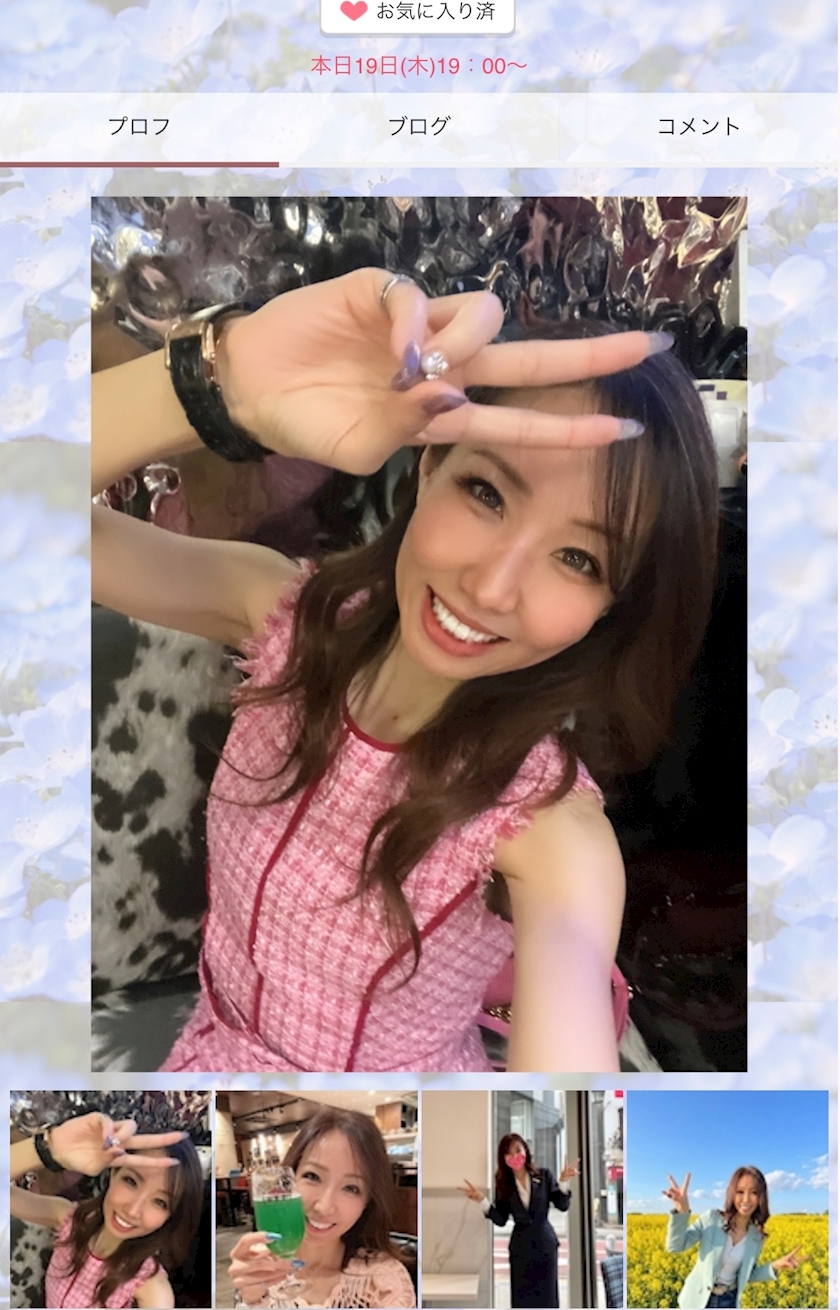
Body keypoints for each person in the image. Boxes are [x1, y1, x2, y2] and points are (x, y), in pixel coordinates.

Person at [92, 265, 718, 1073]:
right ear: (428, 468)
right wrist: (224, 380)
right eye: (487, 492)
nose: (492, 587)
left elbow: (569, 1086)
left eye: (578, 559)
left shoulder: (551, 833)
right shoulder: (284, 616)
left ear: (611, 607)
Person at [10, 1110, 203, 1308]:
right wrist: (50, 1149)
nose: (133, 1210)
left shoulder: (151, 1289)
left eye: (160, 1202)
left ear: (171, 1216)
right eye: (131, 1181)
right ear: (113, 1173)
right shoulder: (70, 1220)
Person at [227, 1106, 415, 1308]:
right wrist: (253, 1301)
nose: (323, 1207)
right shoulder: (258, 1267)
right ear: (290, 1179)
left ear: (368, 1201)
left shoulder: (383, 1285)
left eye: (351, 1188)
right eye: (313, 1176)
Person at [460, 1133, 578, 1309]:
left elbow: (562, 1205)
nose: (515, 1156)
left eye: (518, 1150)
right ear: (503, 1158)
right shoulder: (503, 1184)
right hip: (520, 1249)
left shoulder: (544, 1176)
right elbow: (501, 1219)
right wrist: (482, 1201)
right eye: (509, 1153)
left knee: (548, 1298)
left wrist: (563, 1182)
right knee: (522, 1299)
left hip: (545, 1246)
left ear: (526, 1151)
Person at [663, 1166, 808, 1308]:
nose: (746, 1199)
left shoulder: (756, 1237)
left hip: (729, 1301)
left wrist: (775, 1266)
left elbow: (748, 1274)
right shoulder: (712, 1219)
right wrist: (682, 1211)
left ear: (761, 1197)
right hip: (697, 1300)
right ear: (732, 1193)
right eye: (740, 1192)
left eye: (754, 1192)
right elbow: (675, 1246)